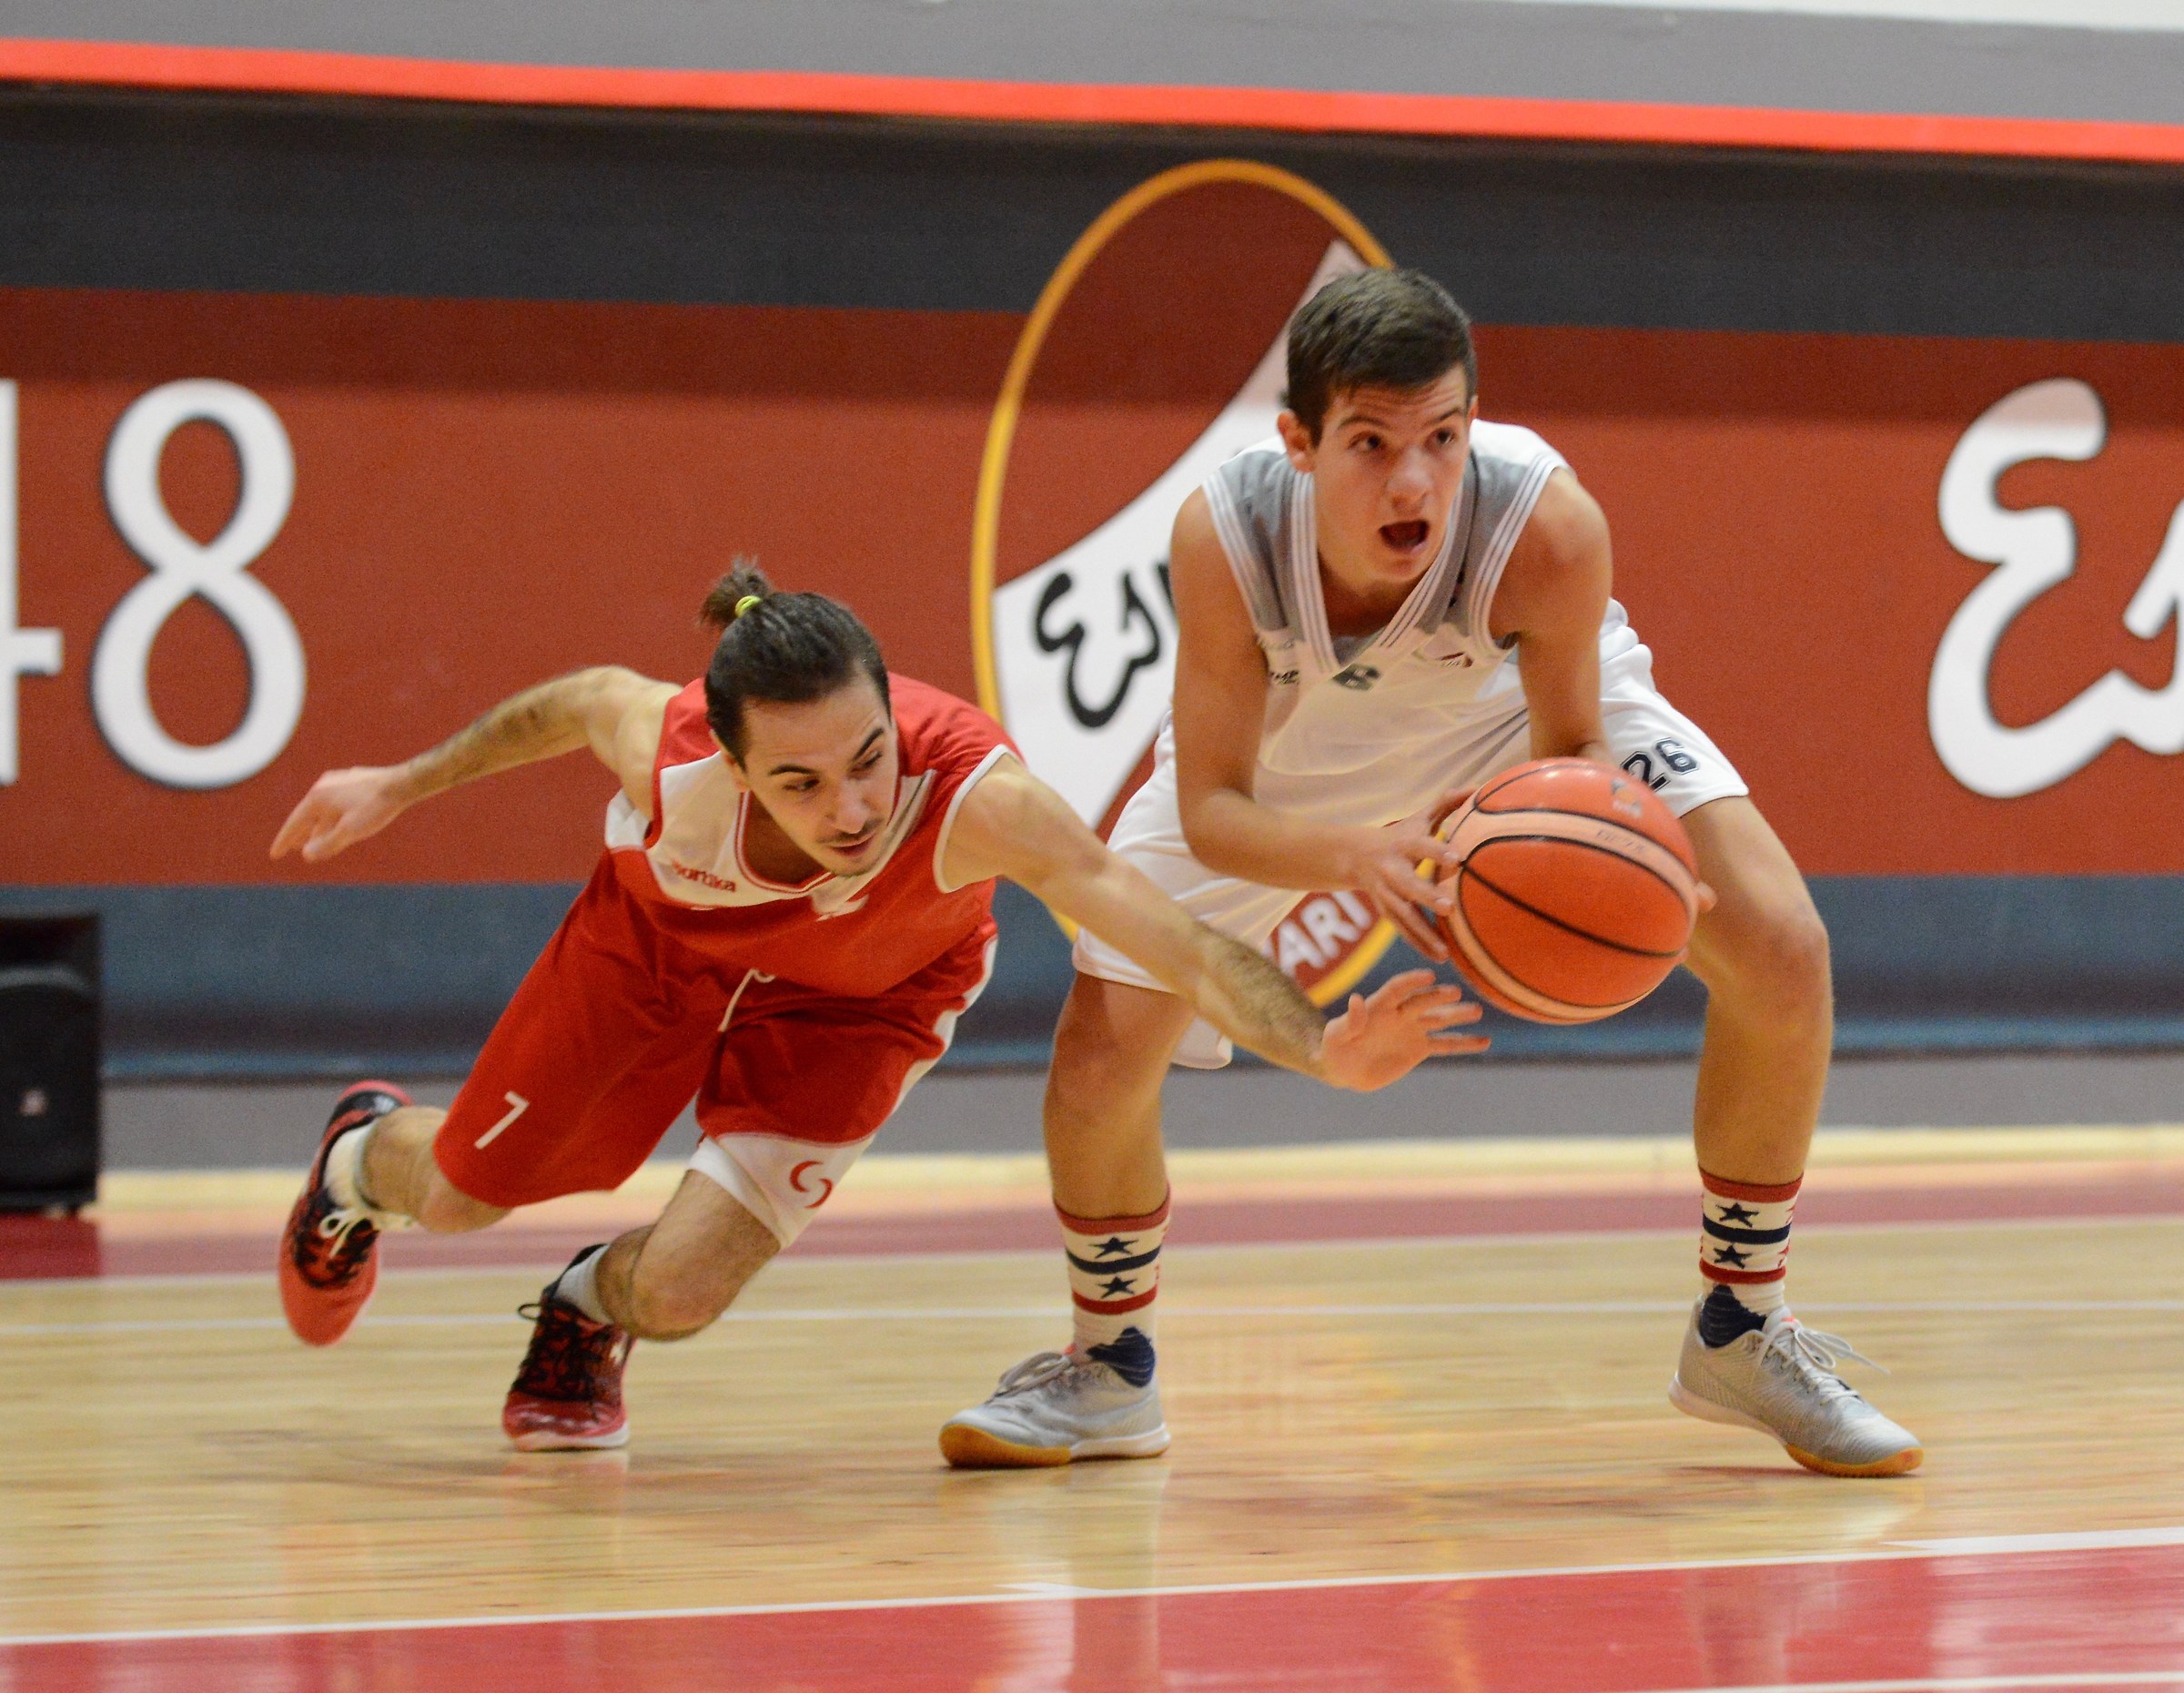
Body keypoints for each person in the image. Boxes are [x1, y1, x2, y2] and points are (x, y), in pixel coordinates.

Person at [941, 269, 1922, 1477]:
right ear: (1298, 441)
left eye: (1443, 439)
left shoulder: (1544, 527)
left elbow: (1570, 752)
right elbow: (1213, 810)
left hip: (1503, 729)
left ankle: (1740, 1327)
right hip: (1291, 765)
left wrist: (1609, 875)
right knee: (1101, 1049)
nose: (1414, 480)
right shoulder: (1228, 534)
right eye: (1371, 444)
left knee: (1780, 947)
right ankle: (1110, 1371)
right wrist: (1353, 857)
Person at [268, 562, 1481, 1452]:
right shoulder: (677, 756)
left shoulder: (978, 800)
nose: (850, 806)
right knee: (470, 1197)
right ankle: (360, 1161)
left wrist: (1321, 1045)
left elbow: (1176, 938)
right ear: (736, 767)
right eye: (799, 781)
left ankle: (590, 1307)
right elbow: (581, 697)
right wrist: (401, 782)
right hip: (658, 949)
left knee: (682, 1293)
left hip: (864, 1001)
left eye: (866, 758)